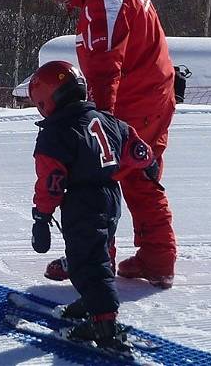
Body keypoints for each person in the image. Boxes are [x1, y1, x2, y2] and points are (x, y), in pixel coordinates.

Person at [29, 0, 177, 288]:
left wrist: (99, 122)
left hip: (135, 98)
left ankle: (93, 258)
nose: (56, 0)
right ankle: (157, 257)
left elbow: (103, 68)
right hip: (153, 89)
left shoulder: (102, 1)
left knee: (92, 178)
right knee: (141, 172)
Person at [28, 60, 159, 350]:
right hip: (111, 196)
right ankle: (91, 302)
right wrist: (148, 163)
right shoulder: (106, 119)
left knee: (88, 261)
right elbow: (135, 146)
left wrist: (42, 216)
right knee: (92, 252)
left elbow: (52, 179)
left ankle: (103, 322)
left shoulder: (56, 133)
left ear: (46, 100)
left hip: (82, 201)